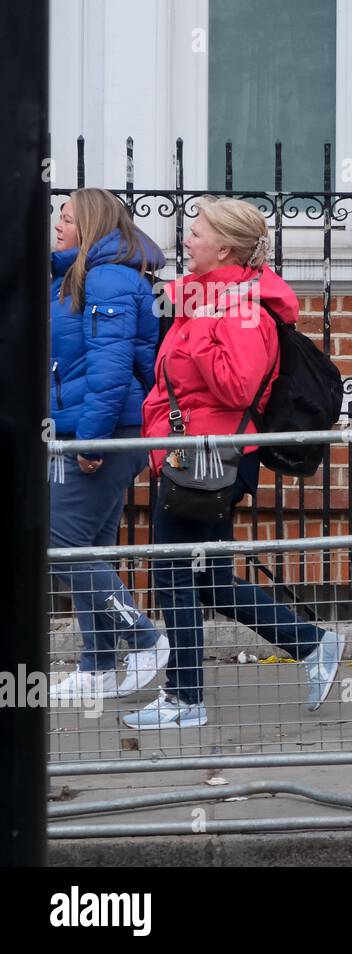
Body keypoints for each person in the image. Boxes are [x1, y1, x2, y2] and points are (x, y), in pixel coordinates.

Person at [122, 196, 344, 730]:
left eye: (195, 232)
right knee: (209, 578)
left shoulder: (238, 308)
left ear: (225, 246)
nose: (186, 239)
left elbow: (236, 385)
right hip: (192, 453)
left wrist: (197, 324)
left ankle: (185, 699)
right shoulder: (211, 300)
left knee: (174, 573)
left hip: (211, 457)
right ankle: (311, 643)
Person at [48, 188, 170, 703]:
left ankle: (143, 636)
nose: (58, 224)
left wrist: (90, 440)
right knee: (90, 549)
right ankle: (97, 665)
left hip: (102, 432)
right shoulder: (78, 274)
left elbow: (111, 368)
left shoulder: (109, 278)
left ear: (92, 225)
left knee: (61, 545)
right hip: (88, 429)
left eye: (68, 217)